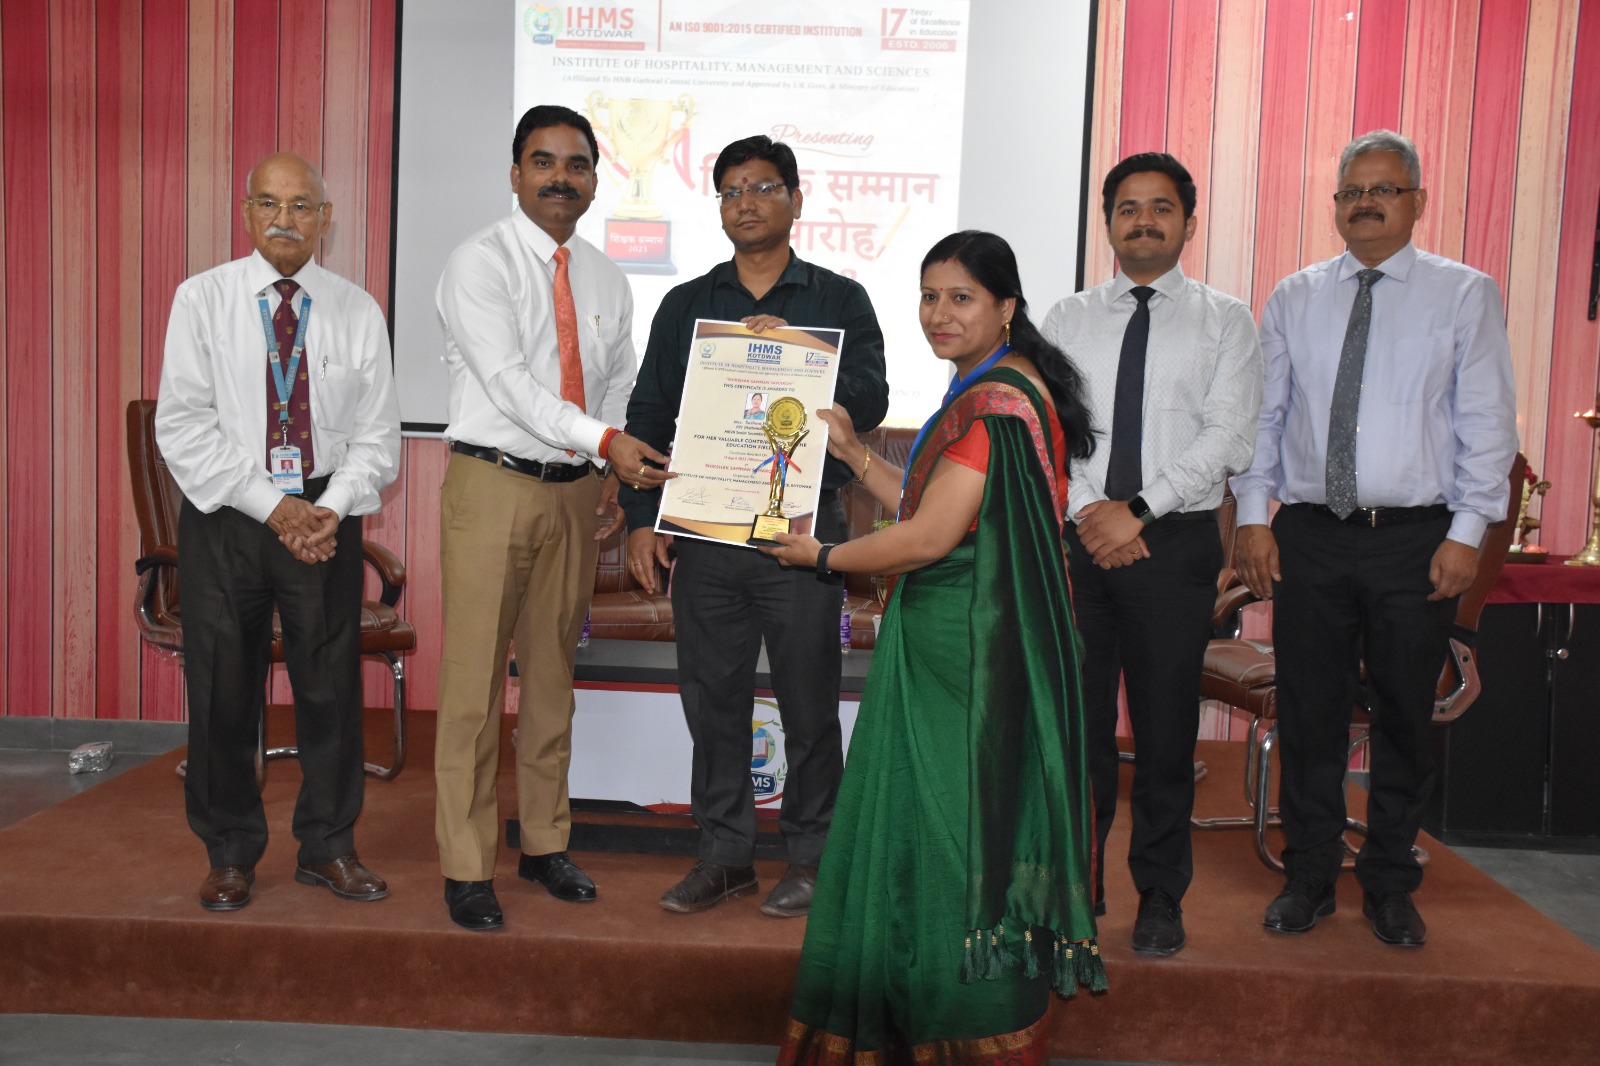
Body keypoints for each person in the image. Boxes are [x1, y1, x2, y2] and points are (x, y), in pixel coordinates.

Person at [763, 230, 1105, 1061]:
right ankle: (922, 1001)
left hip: (969, 655)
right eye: (928, 296)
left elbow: (926, 539)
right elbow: (929, 507)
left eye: (961, 298)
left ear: (1006, 307)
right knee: (938, 822)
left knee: (956, 831)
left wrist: (824, 557)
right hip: (965, 640)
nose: (939, 314)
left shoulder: (995, 405)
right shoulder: (989, 387)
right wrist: (853, 453)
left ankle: (962, 1021)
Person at [1233, 130, 1518, 947]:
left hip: (1416, 540)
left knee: (1403, 719)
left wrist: (1468, 533)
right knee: (1311, 713)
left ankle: (1391, 881)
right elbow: (1265, 417)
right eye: (1353, 191)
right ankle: (1311, 875)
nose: (1366, 203)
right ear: (1336, 205)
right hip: (1311, 535)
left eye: (1384, 189)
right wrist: (1252, 516)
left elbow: (1487, 424)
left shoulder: (1463, 295)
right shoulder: (1295, 296)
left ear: (1416, 202)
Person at [619, 135, 888, 919]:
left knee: (808, 705)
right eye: (732, 190)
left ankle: (810, 856)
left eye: (764, 187)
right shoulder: (685, 305)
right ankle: (724, 856)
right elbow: (648, 414)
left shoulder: (839, 300)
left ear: (796, 200)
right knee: (713, 704)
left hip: (801, 538)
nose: (747, 202)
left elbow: (870, 396)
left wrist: (793, 356)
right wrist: (641, 519)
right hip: (705, 533)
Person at [433, 104, 672, 931]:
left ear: (596, 181)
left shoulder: (605, 277)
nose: (560, 178)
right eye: (543, 162)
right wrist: (604, 440)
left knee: (551, 681)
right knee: (472, 690)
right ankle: (467, 865)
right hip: (491, 486)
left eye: (576, 165)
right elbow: (510, 387)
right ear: (515, 174)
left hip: (575, 494)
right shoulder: (479, 263)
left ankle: (543, 842)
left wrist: (607, 468)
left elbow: (618, 382)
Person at [155, 152, 401, 911]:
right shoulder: (202, 300)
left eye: (301, 206)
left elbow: (377, 438)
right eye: (269, 203)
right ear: (246, 213)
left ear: (325, 218)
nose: (284, 219)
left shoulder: (357, 310)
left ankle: (328, 847)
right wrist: (275, 507)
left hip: (325, 515)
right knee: (222, 691)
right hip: (228, 516)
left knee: (330, 691)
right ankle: (229, 852)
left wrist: (331, 506)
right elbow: (182, 426)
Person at [1041, 152, 1262, 956]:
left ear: (1188, 223)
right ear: (1107, 223)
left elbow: (1229, 436)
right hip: (1079, 541)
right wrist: (1090, 512)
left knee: (1166, 736)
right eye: (1127, 207)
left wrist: (1136, 511)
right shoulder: (1065, 320)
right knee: (1080, 731)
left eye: (1161, 207)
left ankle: (1161, 895)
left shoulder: (1226, 321)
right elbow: (1048, 428)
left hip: (1172, 544)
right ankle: (1077, 887)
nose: (1144, 221)